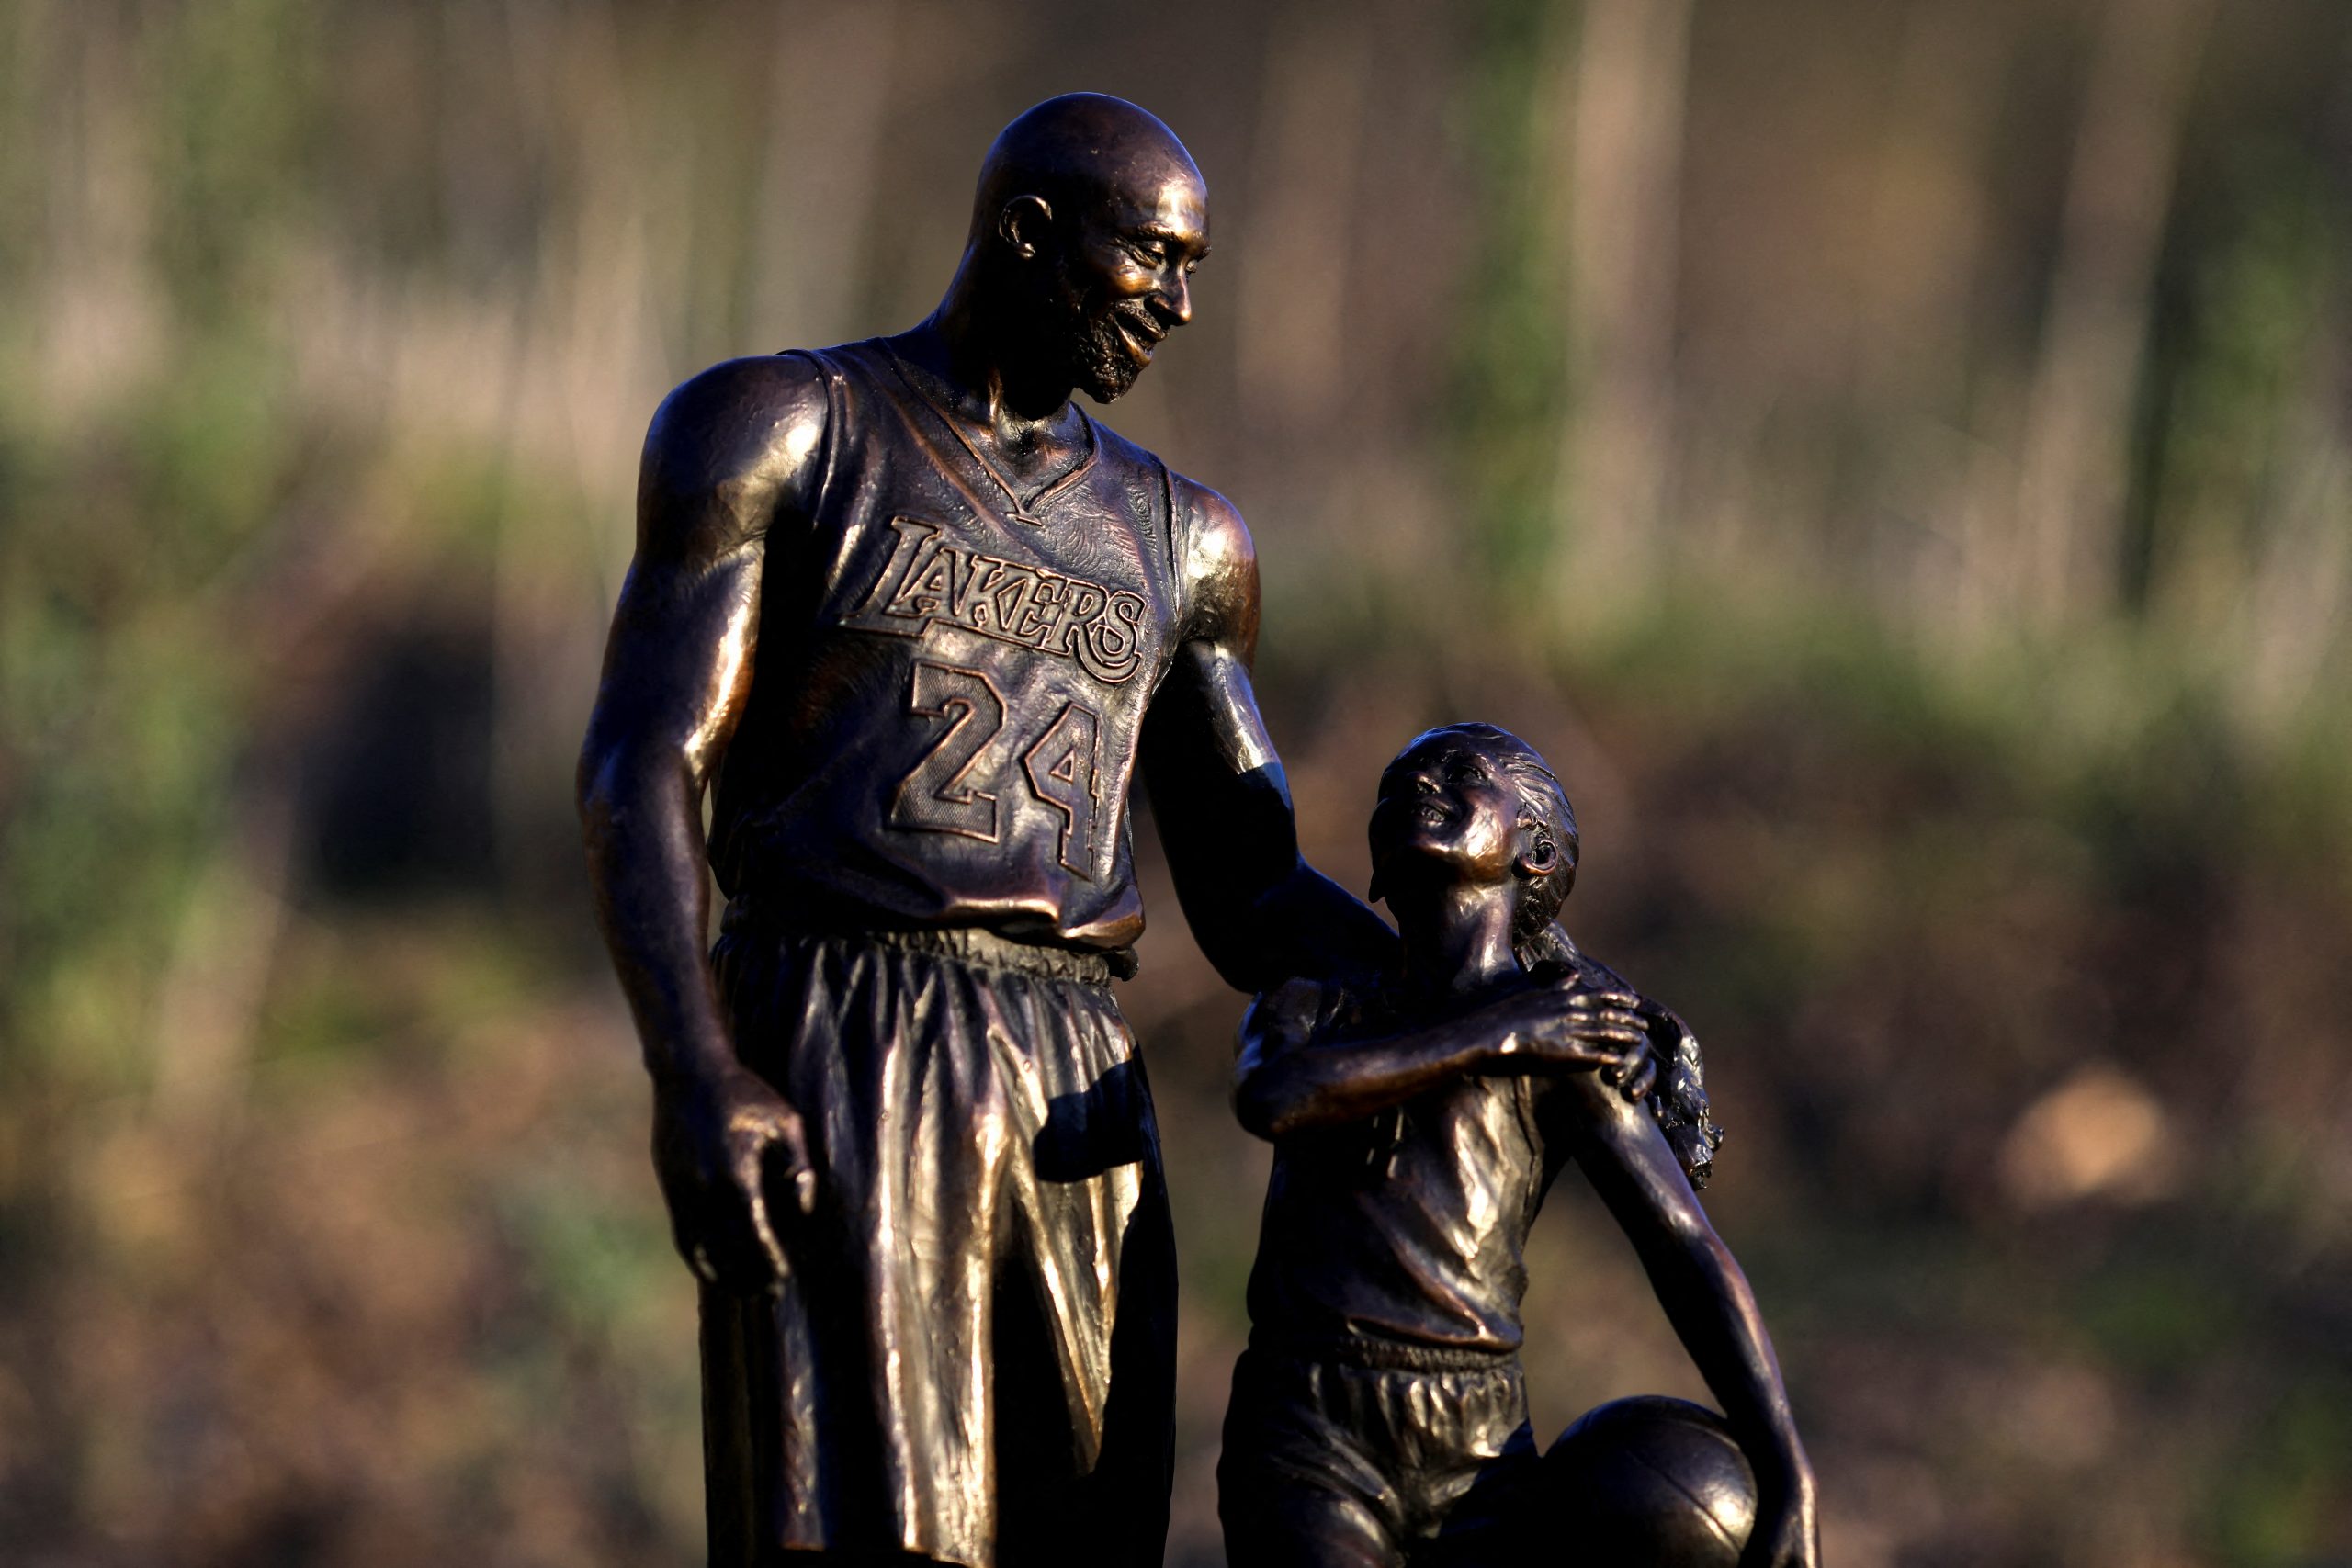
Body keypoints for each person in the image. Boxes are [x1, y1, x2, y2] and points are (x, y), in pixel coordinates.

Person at [576, 95, 1405, 1567]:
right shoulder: (785, 429)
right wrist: (693, 1064)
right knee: (873, 1528)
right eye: (1152, 258)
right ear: (1028, 233)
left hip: (1076, 1078)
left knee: (1090, 1529)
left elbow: (1254, 884)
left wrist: (1515, 998)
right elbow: (643, 760)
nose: (1181, 305)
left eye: (1194, 266)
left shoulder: (1183, 539)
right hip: (846, 1025)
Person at [1219, 723, 1820, 1567]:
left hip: (1478, 1443)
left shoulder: (1570, 1042)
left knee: (1699, 1490)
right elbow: (1274, 1094)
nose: (1418, 786)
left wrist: (1790, 1468)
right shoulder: (1316, 1003)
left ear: (1532, 848)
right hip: (1311, 1422)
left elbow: (1684, 1246)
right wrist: (1500, 1030)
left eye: (1460, 772)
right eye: (1395, 784)